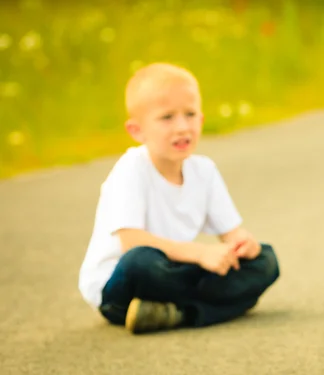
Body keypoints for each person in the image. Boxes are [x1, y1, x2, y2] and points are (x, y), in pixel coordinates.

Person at [78, 62, 280, 334]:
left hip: (178, 273)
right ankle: (218, 306)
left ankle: (177, 313)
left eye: (190, 114)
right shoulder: (131, 169)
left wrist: (245, 246)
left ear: (202, 119)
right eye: (167, 118)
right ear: (137, 131)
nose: (182, 127)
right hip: (124, 287)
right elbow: (131, 242)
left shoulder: (204, 170)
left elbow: (231, 233)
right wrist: (200, 253)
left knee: (266, 261)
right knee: (140, 262)